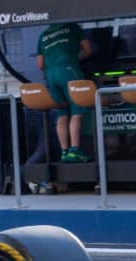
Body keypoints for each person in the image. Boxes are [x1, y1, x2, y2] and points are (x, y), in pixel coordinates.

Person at [36, 22, 92, 163]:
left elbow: (40, 65)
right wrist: (75, 59)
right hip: (68, 69)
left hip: (51, 75)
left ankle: (64, 151)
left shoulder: (43, 36)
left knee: (62, 113)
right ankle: (75, 150)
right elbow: (88, 50)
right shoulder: (73, 27)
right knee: (77, 110)